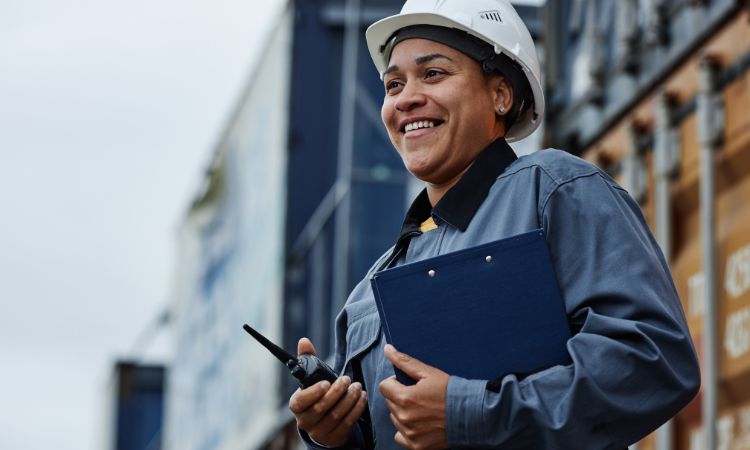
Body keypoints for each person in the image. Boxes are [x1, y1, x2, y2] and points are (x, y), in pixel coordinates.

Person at [288, 0, 701, 448]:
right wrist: (332, 433)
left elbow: (652, 358)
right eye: (393, 84)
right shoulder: (367, 293)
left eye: (433, 73)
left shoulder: (553, 192)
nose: (405, 98)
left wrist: (468, 413)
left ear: (501, 94)